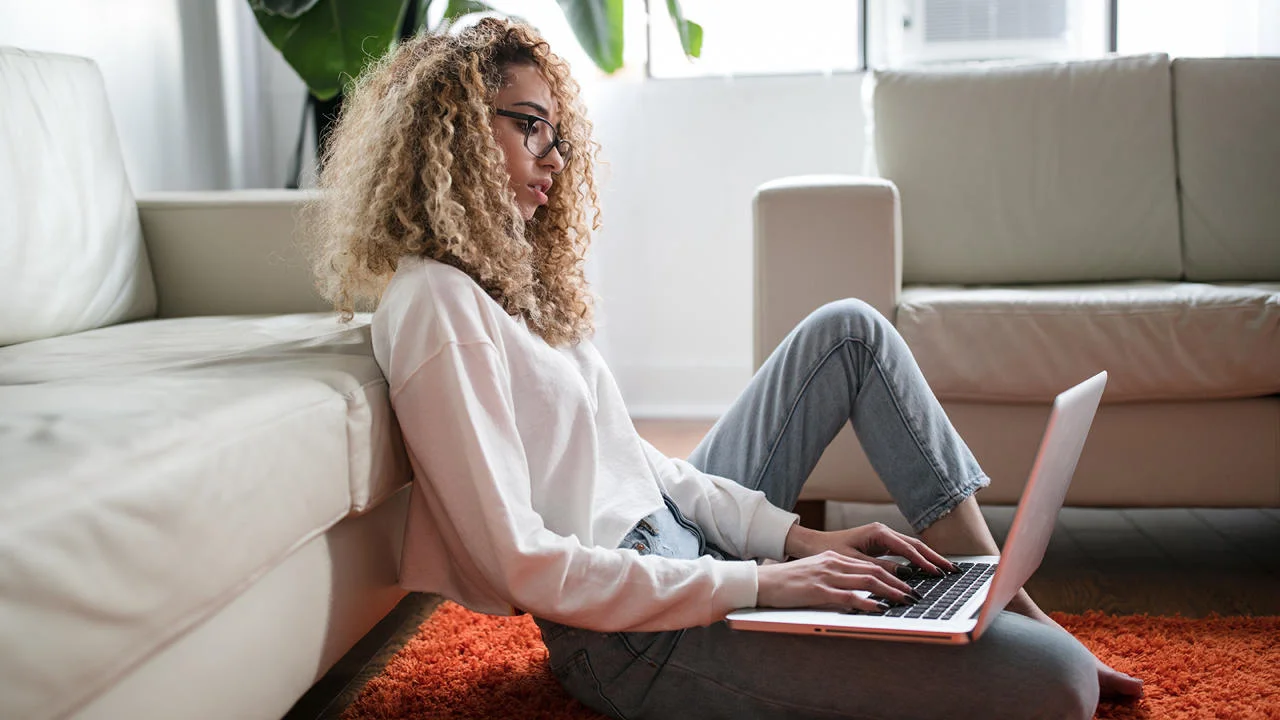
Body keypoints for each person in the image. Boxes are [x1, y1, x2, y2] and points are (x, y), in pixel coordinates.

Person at [305, 18, 1142, 720]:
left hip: (683, 554)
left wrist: (795, 543)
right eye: (528, 125)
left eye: (556, 134)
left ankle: (999, 593)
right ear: (450, 129)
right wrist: (763, 585)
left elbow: (644, 468)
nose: (553, 159)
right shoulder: (434, 305)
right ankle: (994, 620)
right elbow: (519, 563)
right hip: (632, 638)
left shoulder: (511, 288)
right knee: (1056, 684)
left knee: (849, 331)